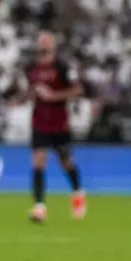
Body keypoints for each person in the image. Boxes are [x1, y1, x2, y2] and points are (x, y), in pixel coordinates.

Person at [23, 31, 86, 223]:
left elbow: (77, 89)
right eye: (40, 40)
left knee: (66, 162)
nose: (43, 43)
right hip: (39, 121)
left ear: (53, 44)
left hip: (59, 122)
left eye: (46, 40)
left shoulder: (62, 66)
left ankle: (77, 192)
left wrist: (54, 96)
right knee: (38, 162)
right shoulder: (31, 68)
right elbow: (31, 89)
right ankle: (39, 207)